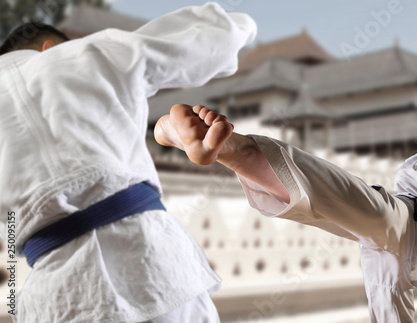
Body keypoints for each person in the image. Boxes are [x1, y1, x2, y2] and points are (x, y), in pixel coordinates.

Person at [0, 3, 256, 322]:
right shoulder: (85, 53)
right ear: (49, 49)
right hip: (152, 267)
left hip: (60, 297)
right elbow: (218, 33)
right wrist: (245, 27)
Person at [154, 104, 417, 323]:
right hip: (397, 218)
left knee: (393, 313)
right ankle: (229, 147)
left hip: (408, 252)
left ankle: (210, 144)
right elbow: (411, 179)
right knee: (331, 191)